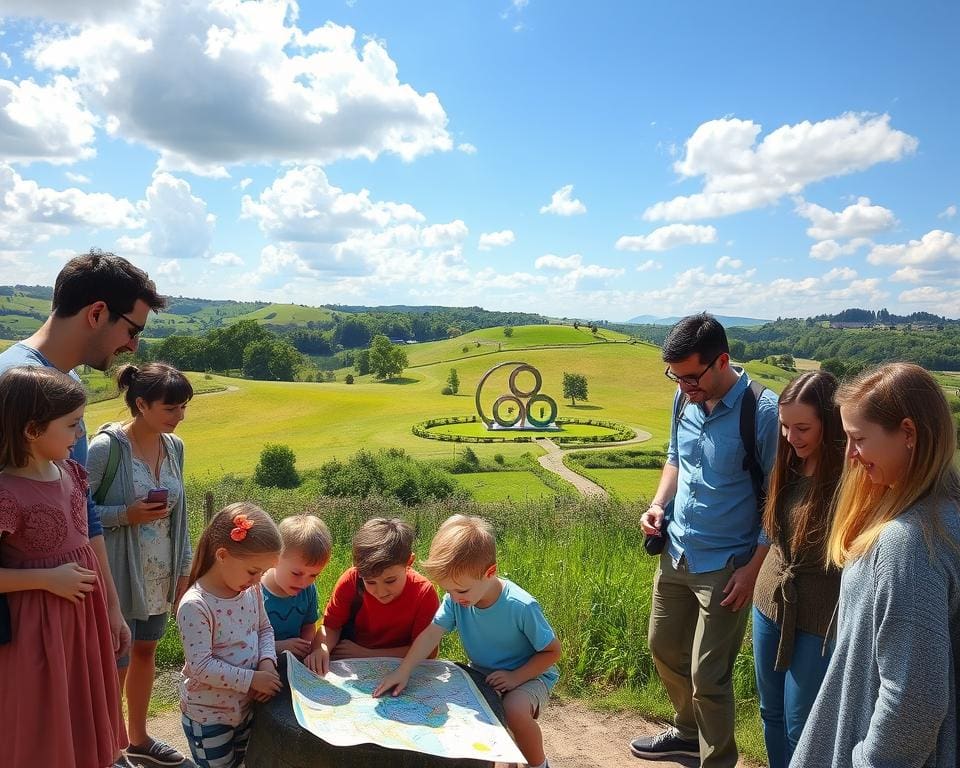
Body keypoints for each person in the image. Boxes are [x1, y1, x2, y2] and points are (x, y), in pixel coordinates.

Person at [0, 249, 167, 670]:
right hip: (23, 634)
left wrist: (109, 607)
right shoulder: (13, 385)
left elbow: (82, 507)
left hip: (64, 619)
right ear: (97, 313)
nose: (134, 345)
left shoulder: (66, 381)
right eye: (132, 329)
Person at [793, 363, 960, 768]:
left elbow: (914, 701)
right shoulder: (945, 511)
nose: (850, 455)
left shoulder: (908, 542)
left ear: (907, 433)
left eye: (858, 439)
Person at [632, 313, 778, 768]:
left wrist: (753, 570)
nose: (683, 386)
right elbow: (676, 458)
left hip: (727, 565)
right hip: (677, 550)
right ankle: (687, 733)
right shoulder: (683, 398)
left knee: (708, 676)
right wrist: (658, 504)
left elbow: (779, 497)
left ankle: (717, 760)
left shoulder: (763, 411)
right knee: (662, 647)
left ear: (722, 361)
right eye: (675, 376)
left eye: (691, 376)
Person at [0, 366, 126, 767]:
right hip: (35, 628)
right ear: (32, 430)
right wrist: (45, 578)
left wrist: (112, 608)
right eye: (72, 425)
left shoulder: (74, 473)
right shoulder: (5, 492)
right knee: (43, 717)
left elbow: (90, 541)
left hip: (83, 622)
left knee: (80, 707)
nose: (79, 435)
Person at [374, 514, 561, 768]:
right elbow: (432, 633)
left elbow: (552, 652)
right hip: (483, 673)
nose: (453, 597)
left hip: (530, 676)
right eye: (447, 590)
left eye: (460, 590)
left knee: (514, 710)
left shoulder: (521, 606)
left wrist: (515, 677)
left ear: (490, 572)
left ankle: (539, 765)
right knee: (470, 714)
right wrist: (404, 670)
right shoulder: (456, 599)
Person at [88, 363, 194, 767]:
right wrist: (124, 515)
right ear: (141, 404)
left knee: (146, 651)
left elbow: (178, 514)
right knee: (116, 661)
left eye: (183, 406)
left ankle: (138, 737)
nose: (179, 416)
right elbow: (76, 509)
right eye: (171, 408)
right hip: (118, 575)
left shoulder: (175, 447)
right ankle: (109, 749)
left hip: (160, 573)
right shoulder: (106, 449)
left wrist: (184, 570)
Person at [751, 371, 843, 768]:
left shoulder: (851, 479)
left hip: (820, 616)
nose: (791, 437)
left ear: (830, 423)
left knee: (801, 723)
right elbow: (773, 534)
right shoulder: (786, 465)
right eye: (785, 426)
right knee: (770, 712)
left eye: (803, 427)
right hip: (769, 602)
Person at [177, 503, 283, 768]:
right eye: (253, 571)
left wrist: (266, 665)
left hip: (244, 708)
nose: (259, 580)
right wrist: (252, 680)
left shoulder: (251, 591)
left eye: (263, 572)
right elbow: (201, 666)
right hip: (208, 716)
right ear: (222, 555)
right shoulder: (195, 605)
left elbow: (264, 629)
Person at [305, 517, 439, 675]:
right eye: (370, 582)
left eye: (390, 580)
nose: (381, 592)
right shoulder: (351, 580)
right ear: (358, 570)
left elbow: (427, 652)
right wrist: (321, 649)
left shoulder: (423, 593)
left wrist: (365, 653)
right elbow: (331, 626)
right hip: (353, 667)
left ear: (409, 561)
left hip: (401, 670)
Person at [261, 514, 331, 661]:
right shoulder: (255, 593)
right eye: (296, 573)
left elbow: (308, 625)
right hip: (262, 662)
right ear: (275, 558)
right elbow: (244, 642)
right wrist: (278, 646)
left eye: (313, 575)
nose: (303, 582)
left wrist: (306, 647)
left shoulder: (308, 590)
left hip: (295, 662)